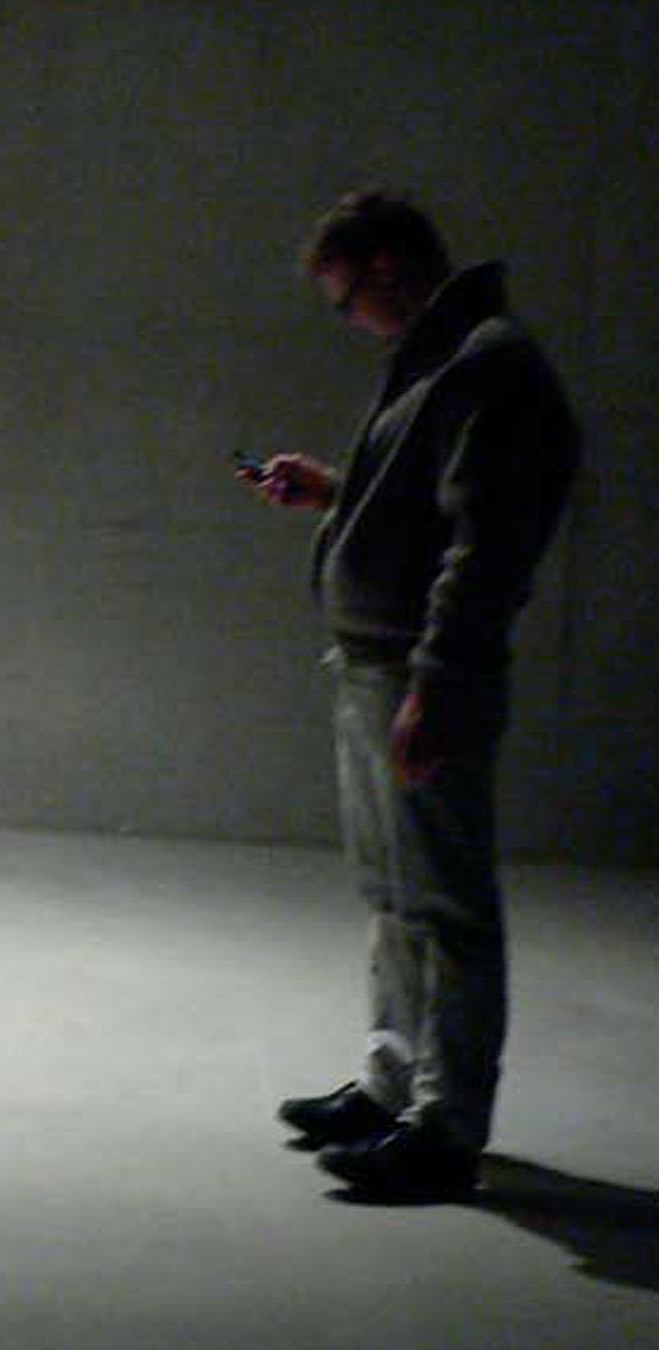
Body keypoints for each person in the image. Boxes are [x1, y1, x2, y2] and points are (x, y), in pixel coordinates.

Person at [241, 190, 580, 1201]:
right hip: (374, 668)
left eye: (345, 301)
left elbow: (486, 547)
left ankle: (444, 1129)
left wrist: (435, 683)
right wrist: (336, 491)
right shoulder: (437, 361)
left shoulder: (487, 364)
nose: (349, 321)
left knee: (446, 907)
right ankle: (392, 1087)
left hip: (416, 677)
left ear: (386, 267)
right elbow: (426, 506)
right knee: (393, 896)